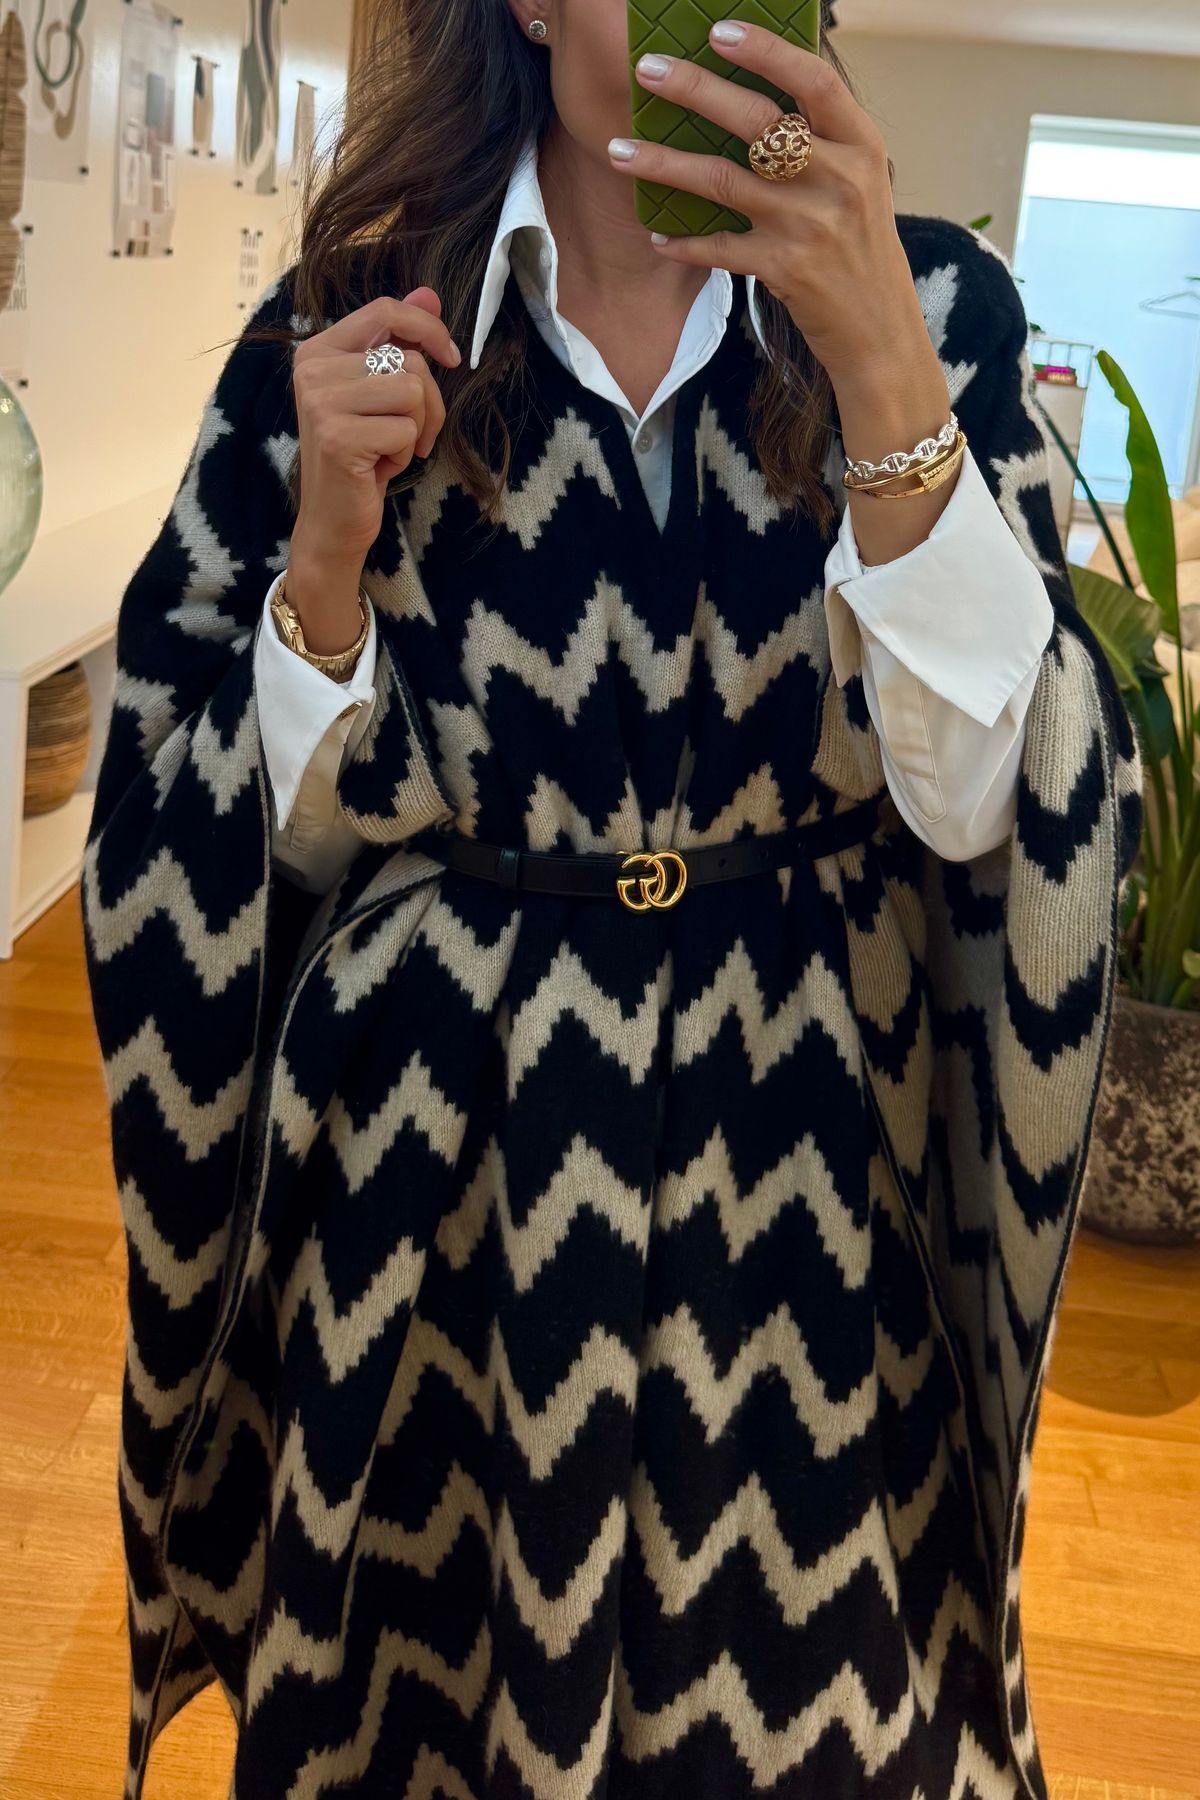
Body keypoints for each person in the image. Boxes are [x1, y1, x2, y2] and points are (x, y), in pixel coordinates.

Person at [80, 3, 1142, 1798]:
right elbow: (223, 848)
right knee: (416, 1713)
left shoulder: (929, 305)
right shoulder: (356, 310)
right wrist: (324, 563)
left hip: (804, 1198)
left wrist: (885, 377)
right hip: (432, 1215)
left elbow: (1002, 813)